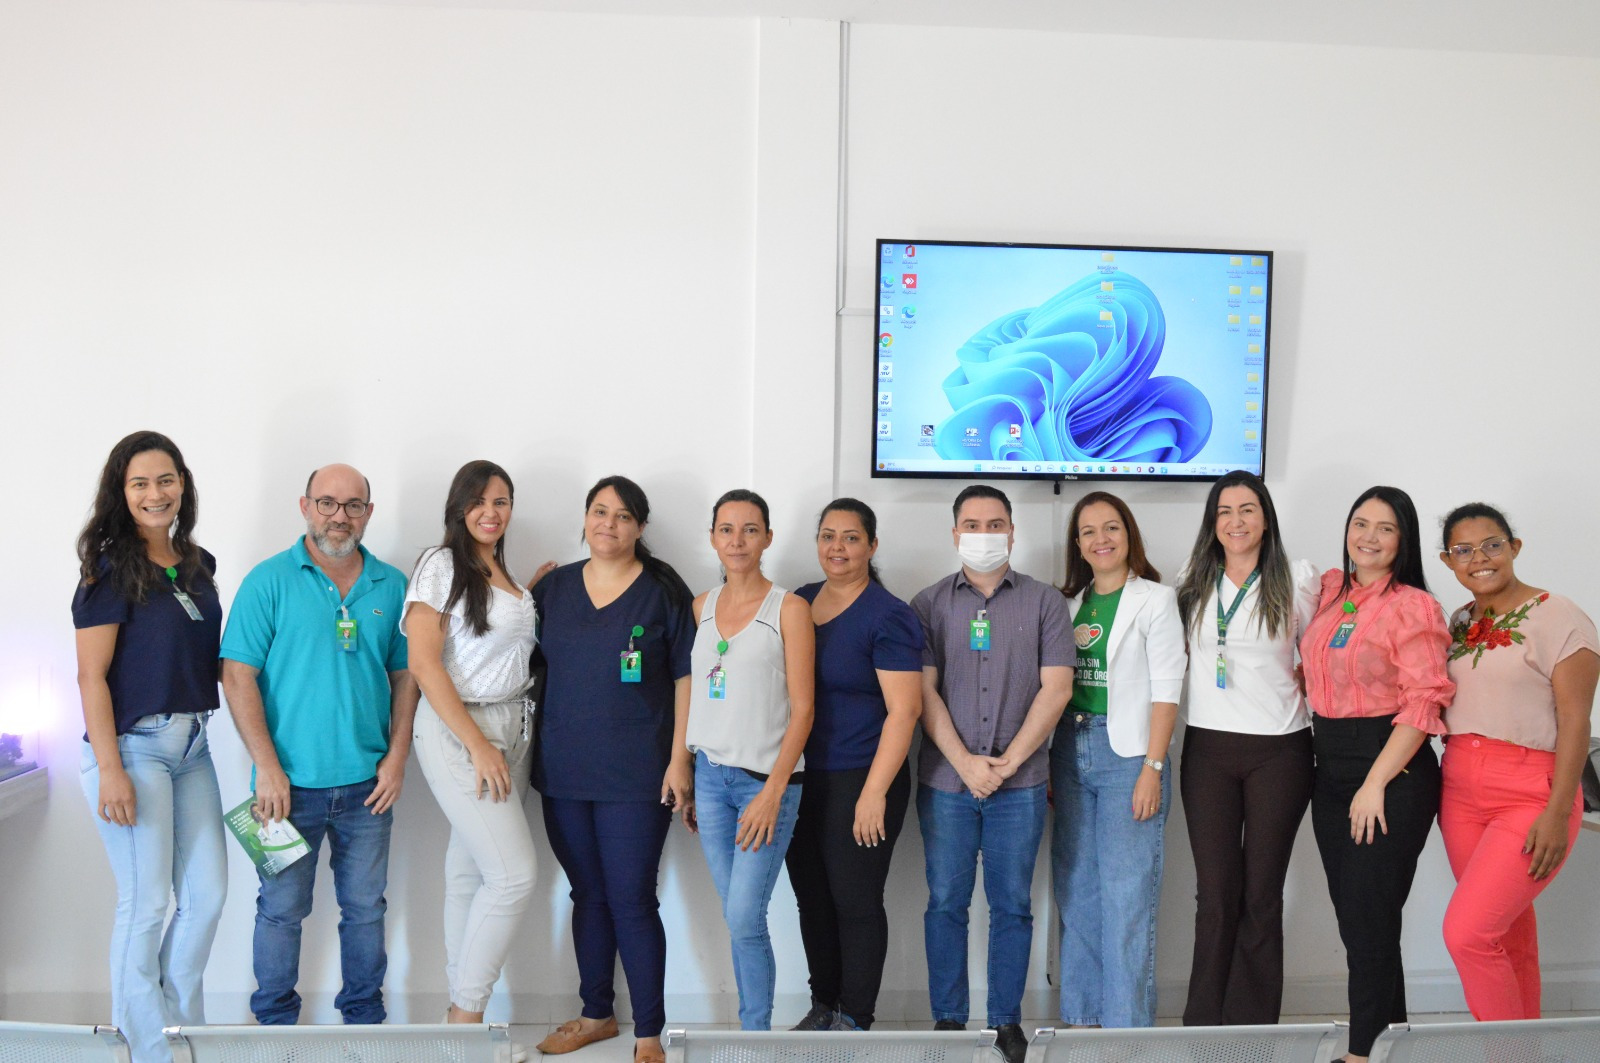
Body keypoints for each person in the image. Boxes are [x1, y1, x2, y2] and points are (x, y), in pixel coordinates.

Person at [220, 463, 417, 1026]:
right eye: (327, 503)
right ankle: (275, 1025)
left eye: (353, 505)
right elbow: (237, 675)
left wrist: (397, 756)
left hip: (367, 788)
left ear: (369, 513)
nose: (339, 516)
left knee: (365, 911)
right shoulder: (268, 580)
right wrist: (268, 768)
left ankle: (363, 1020)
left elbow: (407, 676)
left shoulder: (392, 584)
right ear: (304, 506)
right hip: (281, 789)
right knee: (280, 911)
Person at [73, 431, 227, 1063]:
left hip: (194, 746)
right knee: (147, 903)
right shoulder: (108, 570)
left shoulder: (199, 563)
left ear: (182, 485)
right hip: (134, 750)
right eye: (140, 483)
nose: (155, 493)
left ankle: (177, 1029)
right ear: (122, 492)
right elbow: (90, 676)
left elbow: (205, 660)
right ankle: (146, 1049)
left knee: (209, 896)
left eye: (165, 480)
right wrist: (111, 769)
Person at [531, 476, 695, 1063]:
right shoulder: (552, 589)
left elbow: (685, 679)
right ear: (584, 518)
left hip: (638, 774)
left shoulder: (662, 593)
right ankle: (596, 1014)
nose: (610, 524)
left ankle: (649, 1032)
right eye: (600, 512)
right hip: (564, 770)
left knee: (631, 898)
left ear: (640, 527)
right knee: (588, 894)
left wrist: (680, 761)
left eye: (624, 516)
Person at [911, 485, 1072, 1063]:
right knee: (946, 903)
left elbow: (1057, 689)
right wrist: (965, 763)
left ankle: (1006, 1021)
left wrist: (1006, 764)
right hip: (946, 783)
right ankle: (949, 1020)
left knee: (1012, 905)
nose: (984, 534)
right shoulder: (926, 604)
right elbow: (921, 693)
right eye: (972, 525)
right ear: (955, 534)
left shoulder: (1045, 602)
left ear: (1013, 530)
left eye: (995, 523)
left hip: (1020, 786)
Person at [1299, 485, 1454, 1063]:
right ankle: (1396, 1045)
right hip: (1329, 765)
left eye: (1384, 528)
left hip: (1393, 772)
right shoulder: (1331, 591)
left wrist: (1375, 784)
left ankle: (1362, 1054)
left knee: (1367, 919)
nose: (1368, 536)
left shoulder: (1413, 605)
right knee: (1364, 921)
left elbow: (1423, 703)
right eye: (1359, 523)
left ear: (1403, 540)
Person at [1437, 503, 1598, 1020]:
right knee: (1505, 938)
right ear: (1447, 560)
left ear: (1515, 548)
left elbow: (1577, 722)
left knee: (1467, 934)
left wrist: (1556, 811)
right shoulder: (1460, 622)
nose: (1479, 558)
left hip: (1532, 793)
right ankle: (1527, 1048)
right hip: (1460, 791)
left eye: (1492, 544)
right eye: (1463, 550)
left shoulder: (1560, 614)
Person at [1172, 471, 1319, 1025]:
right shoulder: (1193, 580)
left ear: (1266, 518)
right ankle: (1203, 1023)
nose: (1236, 521)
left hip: (1279, 752)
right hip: (1207, 751)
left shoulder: (1299, 579)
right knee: (1215, 894)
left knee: (1262, 895)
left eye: (1248, 509)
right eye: (1225, 511)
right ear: (1213, 523)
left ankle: (1254, 1027)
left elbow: (1324, 655)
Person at [404, 461, 537, 1056]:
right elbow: (425, 665)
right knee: (514, 877)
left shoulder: (500, 572)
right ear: (459, 506)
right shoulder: (441, 565)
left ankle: (458, 1034)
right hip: (463, 730)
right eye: (480, 501)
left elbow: (500, 644)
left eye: (503, 501)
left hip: (513, 725)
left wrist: (531, 587)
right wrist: (478, 744)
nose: (492, 511)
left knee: (469, 874)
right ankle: (466, 1021)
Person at [786, 498, 924, 1033]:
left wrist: (873, 794)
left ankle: (855, 1017)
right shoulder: (797, 603)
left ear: (871, 545)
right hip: (802, 778)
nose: (837, 548)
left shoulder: (889, 615)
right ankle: (824, 1005)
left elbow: (905, 710)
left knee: (856, 901)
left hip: (865, 778)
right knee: (812, 900)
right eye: (827, 536)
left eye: (849, 537)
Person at [1052, 491, 1185, 1030]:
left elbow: (1167, 688)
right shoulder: (1067, 604)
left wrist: (1152, 767)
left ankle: (1126, 1031)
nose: (1100, 539)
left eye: (1111, 528)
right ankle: (1083, 1023)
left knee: (1127, 893)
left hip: (1128, 754)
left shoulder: (1155, 599)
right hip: (1069, 749)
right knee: (1077, 887)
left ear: (1128, 535)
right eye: (1088, 531)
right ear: (1077, 544)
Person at [686, 489, 814, 1031]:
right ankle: (753, 1031)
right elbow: (693, 692)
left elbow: (805, 710)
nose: (737, 540)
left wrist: (773, 791)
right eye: (726, 529)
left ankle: (755, 1036)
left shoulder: (789, 608)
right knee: (739, 918)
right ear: (713, 536)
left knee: (744, 916)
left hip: (765, 783)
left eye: (749, 529)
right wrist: (687, 775)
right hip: (710, 781)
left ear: (767, 536)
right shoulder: (701, 606)